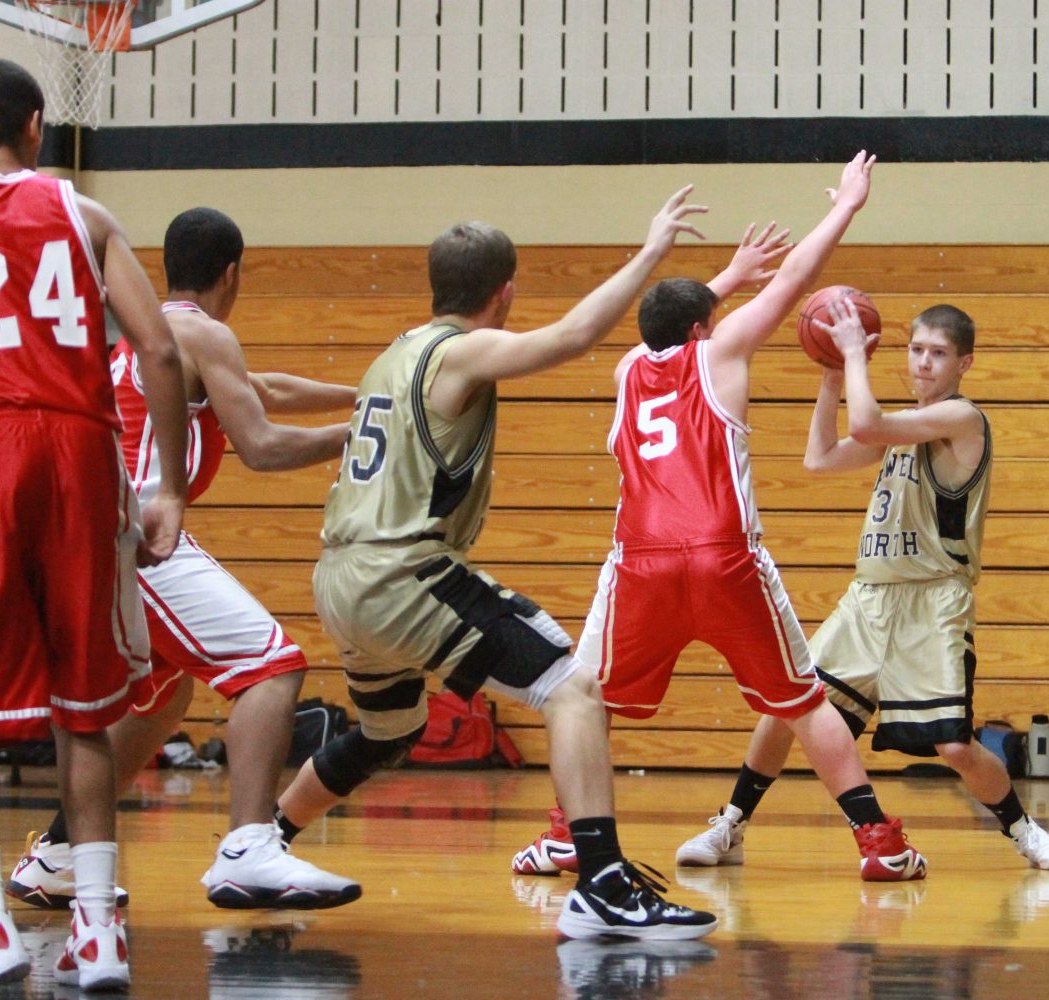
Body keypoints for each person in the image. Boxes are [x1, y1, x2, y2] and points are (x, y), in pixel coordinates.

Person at [266, 187, 719, 940]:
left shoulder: (394, 352)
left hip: (340, 577)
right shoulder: (462, 350)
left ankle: (265, 841)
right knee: (572, 685)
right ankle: (602, 882)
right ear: (505, 292)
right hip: (401, 572)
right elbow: (574, 336)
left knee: (388, 730)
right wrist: (650, 254)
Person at [514, 152, 929, 885]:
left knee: (585, 699)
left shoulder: (625, 373)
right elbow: (798, 280)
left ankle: (566, 836)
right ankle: (878, 841)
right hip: (722, 554)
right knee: (803, 700)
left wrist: (726, 280)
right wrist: (847, 207)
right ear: (709, 326)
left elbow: (665, 324)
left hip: (639, 561)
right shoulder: (722, 352)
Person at [0, 59, 189, 994]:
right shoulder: (87, 215)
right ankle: (99, 930)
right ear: (39, 126)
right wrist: (167, 490)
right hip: (86, 450)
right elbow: (158, 347)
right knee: (87, 695)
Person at [6, 206, 362, 913]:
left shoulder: (149, 331)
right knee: (272, 668)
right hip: (136, 538)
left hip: (86, 534)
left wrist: (370, 399)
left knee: (162, 696)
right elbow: (261, 445)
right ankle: (249, 849)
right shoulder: (203, 333)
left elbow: (263, 390)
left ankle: (59, 854)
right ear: (233, 273)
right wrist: (363, 437)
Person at [674, 301, 1049, 872]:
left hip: (933, 599)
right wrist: (832, 376)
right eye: (916, 350)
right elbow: (819, 458)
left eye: (937, 354)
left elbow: (864, 424)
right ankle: (731, 826)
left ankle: (1026, 831)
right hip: (868, 600)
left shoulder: (962, 419)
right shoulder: (898, 430)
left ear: (964, 363)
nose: (922, 363)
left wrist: (848, 354)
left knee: (955, 746)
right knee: (788, 708)